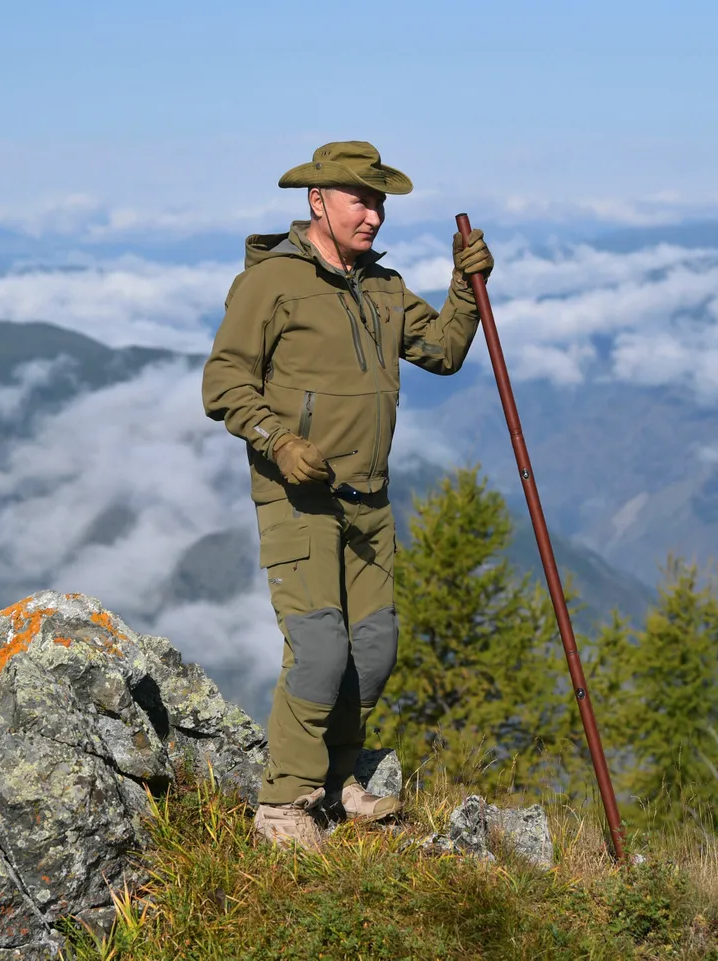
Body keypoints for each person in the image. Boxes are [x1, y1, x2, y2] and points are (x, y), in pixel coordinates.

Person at [202, 141, 493, 849]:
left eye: (380, 201)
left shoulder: (383, 288)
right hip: (298, 496)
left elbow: (446, 353)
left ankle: (337, 779)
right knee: (321, 646)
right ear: (316, 202)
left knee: (374, 647)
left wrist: (466, 287)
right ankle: (282, 802)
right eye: (360, 199)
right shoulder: (271, 284)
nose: (374, 214)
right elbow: (223, 383)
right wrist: (277, 438)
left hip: (369, 498)